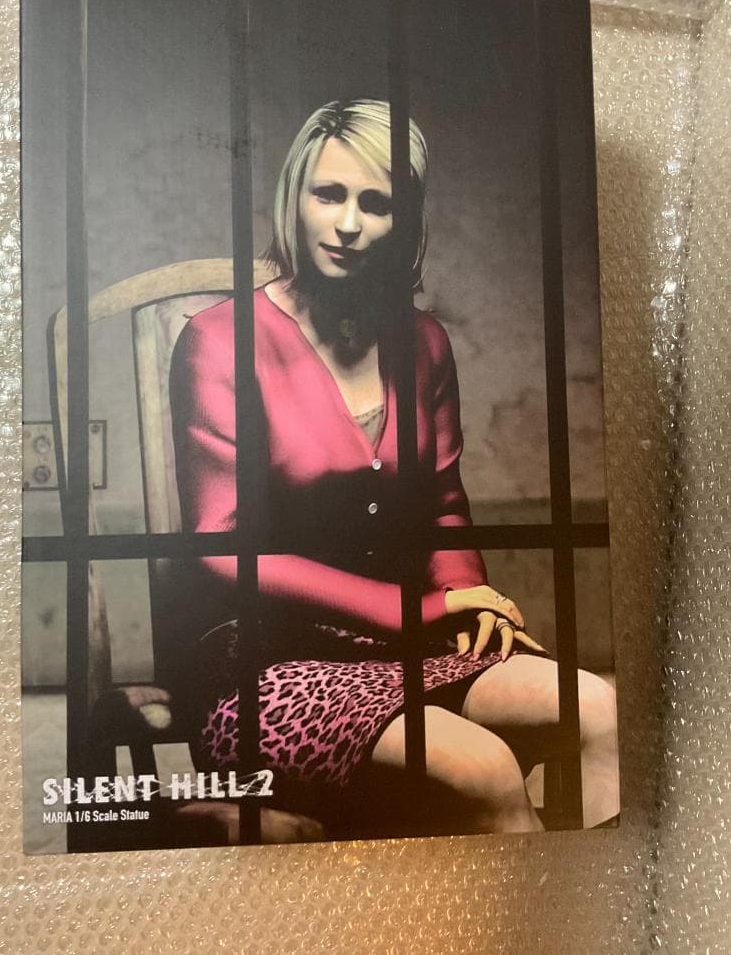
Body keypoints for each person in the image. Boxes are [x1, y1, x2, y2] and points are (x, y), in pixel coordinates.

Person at [170, 99, 619, 838]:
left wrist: (470, 601)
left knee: (597, 708)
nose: (348, 223)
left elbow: (442, 504)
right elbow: (223, 544)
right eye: (329, 194)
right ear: (294, 198)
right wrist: (416, 611)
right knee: (485, 771)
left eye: (375, 204)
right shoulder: (218, 341)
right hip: (268, 670)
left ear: (402, 221)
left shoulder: (424, 341)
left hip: (409, 650)